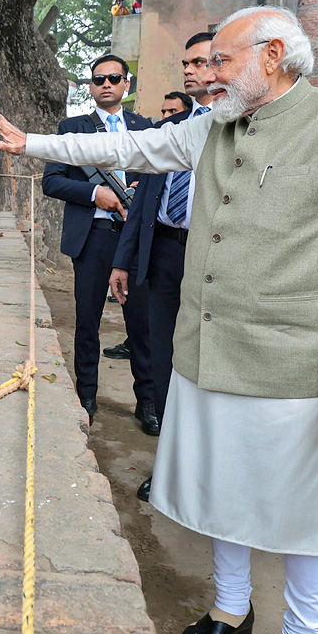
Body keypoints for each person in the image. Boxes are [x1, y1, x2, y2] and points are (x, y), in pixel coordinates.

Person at [0, 5, 318, 634]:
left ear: (272, 54)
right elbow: (144, 149)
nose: (204, 75)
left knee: (308, 522)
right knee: (222, 494)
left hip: (302, 366)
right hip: (210, 355)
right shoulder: (212, 124)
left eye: (220, 61)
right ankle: (229, 610)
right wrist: (30, 144)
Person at [111, 31, 215, 499]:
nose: (190, 69)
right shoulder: (171, 131)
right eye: (186, 62)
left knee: (210, 367)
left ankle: (213, 477)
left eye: (200, 61)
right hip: (164, 254)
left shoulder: (245, 126)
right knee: (165, 361)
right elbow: (143, 205)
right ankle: (172, 470)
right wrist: (124, 261)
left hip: (215, 256)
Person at [44, 53, 156, 430]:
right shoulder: (73, 126)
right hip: (93, 236)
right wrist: (96, 195)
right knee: (88, 322)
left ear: (127, 84)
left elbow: (160, 176)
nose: (105, 84)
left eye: (113, 78)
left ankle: (148, 402)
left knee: (141, 325)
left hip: (136, 238)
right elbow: (52, 180)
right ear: (91, 87)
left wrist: (143, 191)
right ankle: (87, 395)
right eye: (98, 79)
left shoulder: (145, 127)